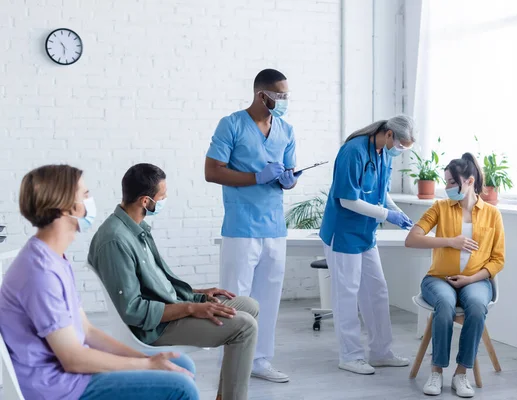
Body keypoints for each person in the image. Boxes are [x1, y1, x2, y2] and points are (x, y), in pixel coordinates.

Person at [0, 165, 199, 400]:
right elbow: (73, 359)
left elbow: (87, 331)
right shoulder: (40, 273)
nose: (90, 201)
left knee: (180, 363)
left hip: (70, 374)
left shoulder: (55, 258)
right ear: (67, 207)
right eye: (85, 195)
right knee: (180, 387)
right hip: (57, 388)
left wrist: (146, 359)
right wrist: (147, 366)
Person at [88, 163, 258, 400]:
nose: (166, 199)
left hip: (168, 310)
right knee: (245, 326)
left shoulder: (136, 229)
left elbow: (157, 285)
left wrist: (198, 295)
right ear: (146, 201)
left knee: (249, 306)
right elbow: (132, 310)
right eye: (163, 196)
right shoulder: (115, 240)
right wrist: (190, 307)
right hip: (153, 328)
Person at [204, 69, 299, 383]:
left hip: (274, 228)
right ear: (263, 95)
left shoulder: (285, 129)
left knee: (268, 300)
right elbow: (213, 171)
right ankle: (229, 361)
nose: (284, 101)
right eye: (280, 95)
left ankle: (260, 360)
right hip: (241, 227)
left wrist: (288, 180)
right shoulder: (231, 125)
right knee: (235, 299)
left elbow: (287, 172)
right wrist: (255, 177)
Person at [318, 116, 416, 375]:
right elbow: (348, 200)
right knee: (347, 294)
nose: (401, 152)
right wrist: (387, 216)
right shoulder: (353, 151)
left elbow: (381, 193)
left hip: (366, 233)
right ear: (389, 134)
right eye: (402, 146)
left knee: (377, 291)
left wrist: (398, 212)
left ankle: (381, 352)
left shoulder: (383, 153)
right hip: (344, 233)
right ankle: (349, 355)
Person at [405, 153, 505, 398]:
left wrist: (470, 280)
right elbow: (412, 239)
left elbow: (498, 259)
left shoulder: (492, 214)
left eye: (451, 182)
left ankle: (461, 373)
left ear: (469, 182)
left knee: (477, 305)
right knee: (446, 303)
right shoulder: (439, 207)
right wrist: (451, 241)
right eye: (446, 181)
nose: (447, 187)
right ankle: (437, 370)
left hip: (476, 280)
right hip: (438, 279)